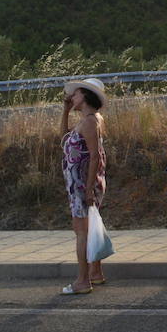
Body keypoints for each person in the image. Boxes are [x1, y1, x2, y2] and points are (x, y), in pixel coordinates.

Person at [59, 78, 107, 295]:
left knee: (81, 232)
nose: (72, 97)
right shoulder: (88, 119)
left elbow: (95, 157)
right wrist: (66, 111)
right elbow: (63, 138)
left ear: (86, 96)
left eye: (76, 94)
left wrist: (87, 188)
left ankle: (82, 280)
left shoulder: (89, 122)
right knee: (90, 228)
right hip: (81, 183)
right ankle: (95, 273)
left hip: (82, 184)